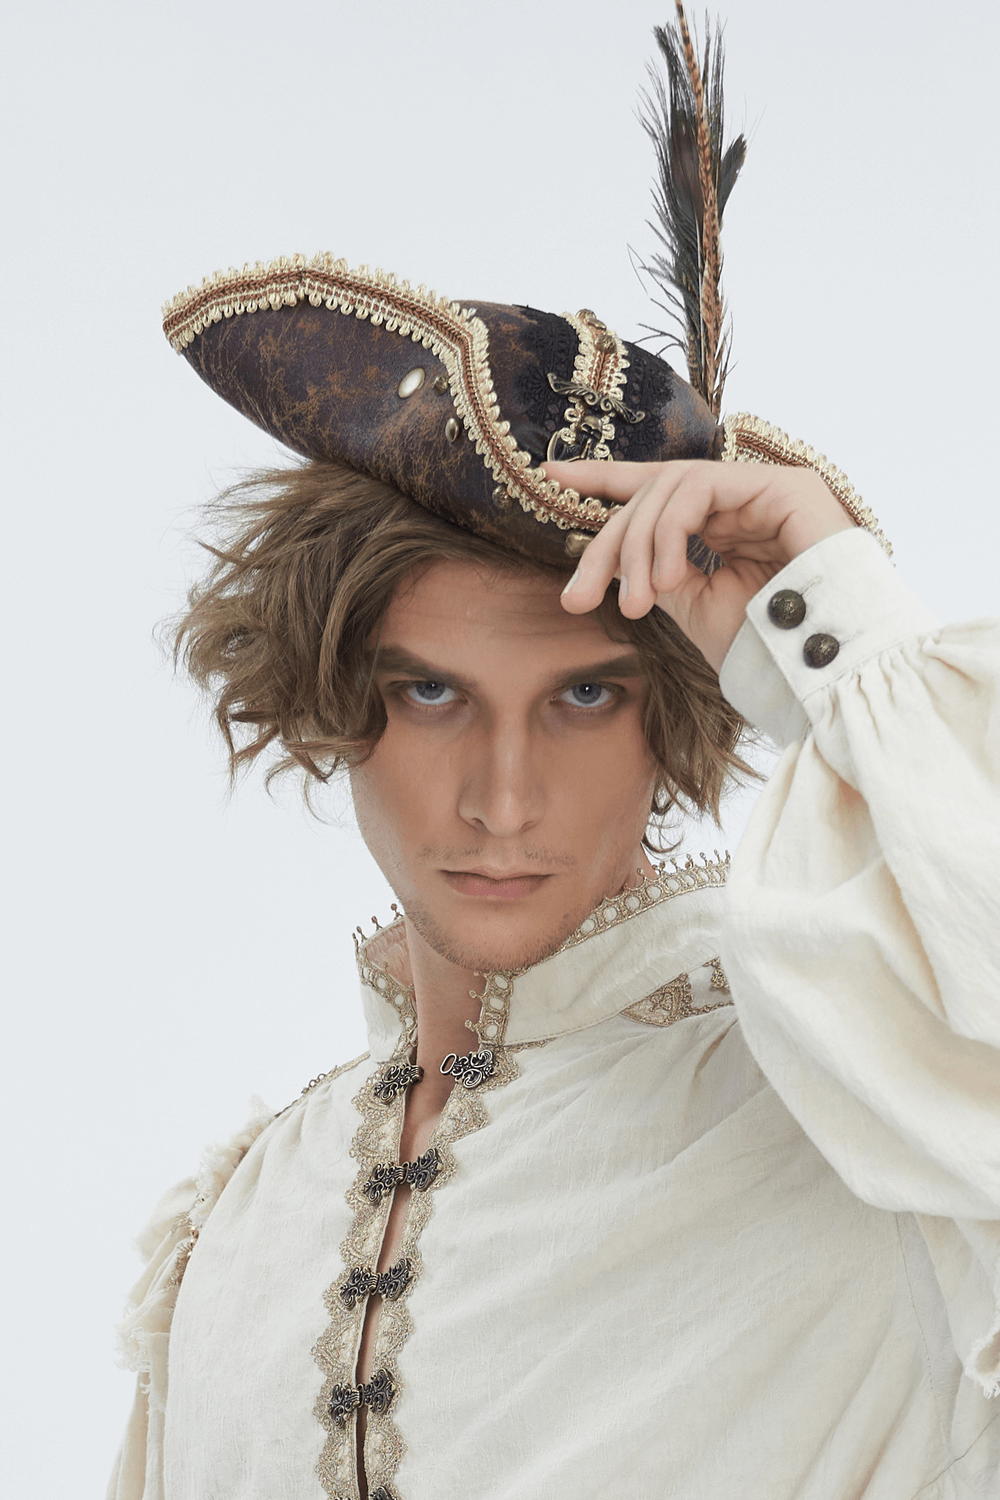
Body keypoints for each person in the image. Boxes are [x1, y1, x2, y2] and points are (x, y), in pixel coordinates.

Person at [109, 8, 1000, 1498]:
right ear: (335, 700)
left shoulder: (863, 1109)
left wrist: (835, 625)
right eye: (432, 696)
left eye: (586, 698)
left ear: (679, 719)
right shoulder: (250, 1215)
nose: (502, 798)